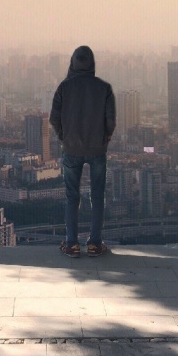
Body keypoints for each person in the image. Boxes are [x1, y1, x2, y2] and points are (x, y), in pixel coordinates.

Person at [50, 45, 116, 258]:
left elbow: (54, 118)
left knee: (71, 196)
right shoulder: (104, 88)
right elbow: (111, 121)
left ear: (73, 63)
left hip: (71, 149)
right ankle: (95, 244)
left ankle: (72, 244)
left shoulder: (64, 87)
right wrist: (104, 138)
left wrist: (64, 137)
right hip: (97, 149)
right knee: (97, 196)